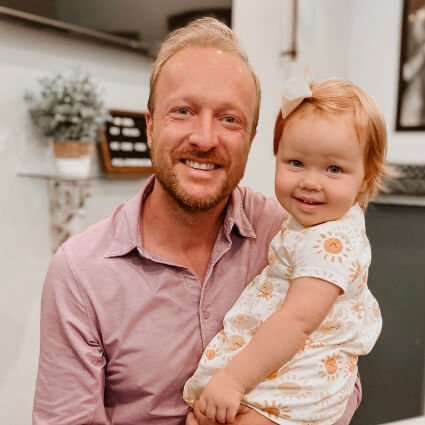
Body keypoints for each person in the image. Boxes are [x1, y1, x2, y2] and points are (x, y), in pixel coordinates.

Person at [32, 18, 361, 425]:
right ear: (150, 127)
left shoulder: (291, 234)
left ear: (252, 139)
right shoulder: (81, 274)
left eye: (229, 119)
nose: (205, 138)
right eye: (183, 111)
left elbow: (339, 371)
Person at [183, 75, 387, 425]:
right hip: (277, 371)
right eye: (296, 163)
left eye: (334, 169)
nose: (310, 181)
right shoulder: (310, 226)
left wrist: (232, 380)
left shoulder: (329, 241)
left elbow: (296, 321)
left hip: (296, 384)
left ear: (365, 178)